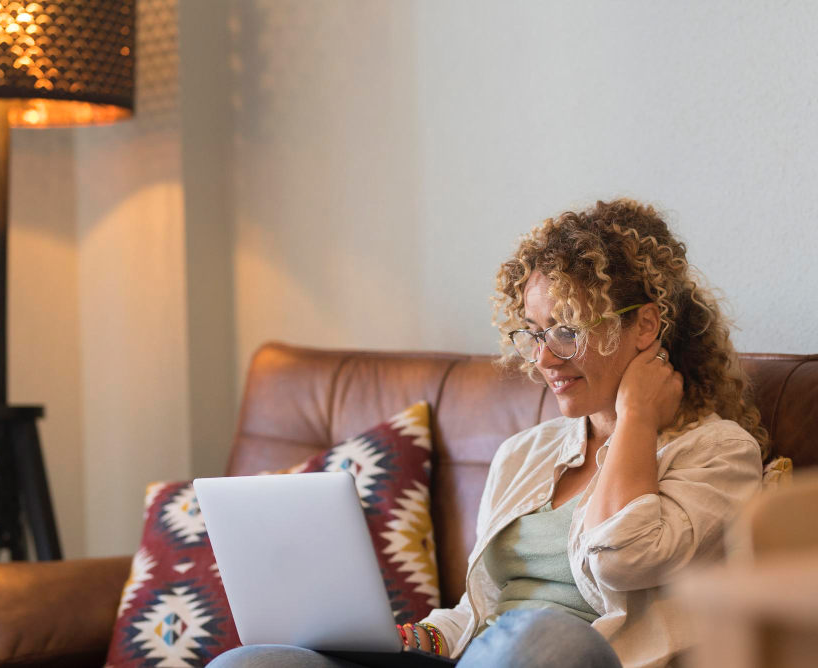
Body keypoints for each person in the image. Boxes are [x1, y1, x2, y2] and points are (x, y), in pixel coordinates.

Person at [212, 198, 766, 668]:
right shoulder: (525, 453)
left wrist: (638, 418)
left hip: (574, 655)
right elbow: (479, 610)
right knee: (249, 661)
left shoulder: (720, 453)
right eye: (534, 333)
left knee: (542, 636)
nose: (545, 358)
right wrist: (421, 638)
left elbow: (621, 557)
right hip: (484, 655)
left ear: (645, 325)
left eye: (568, 331)